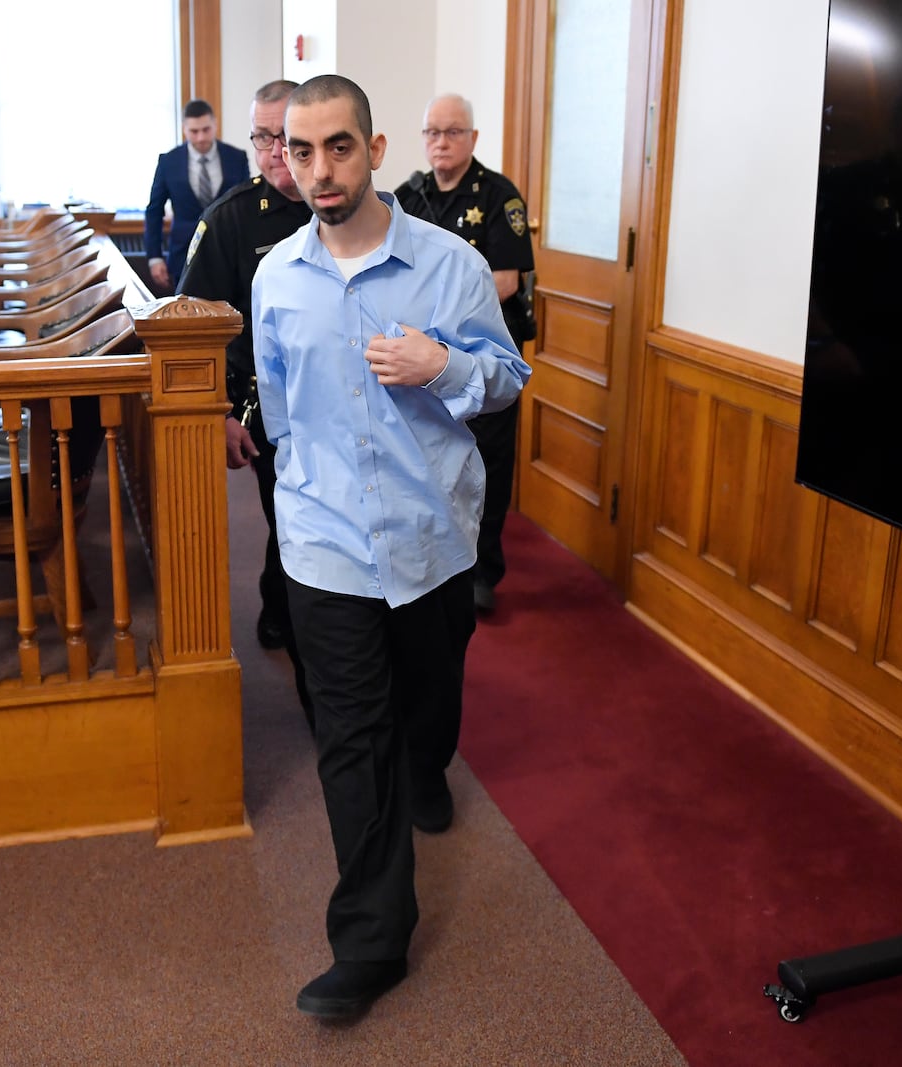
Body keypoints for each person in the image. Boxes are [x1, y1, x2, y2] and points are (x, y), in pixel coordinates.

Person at [252, 75, 530, 1019]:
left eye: (338, 147)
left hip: (430, 538)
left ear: (374, 149)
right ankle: (372, 940)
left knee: (426, 705)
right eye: (301, 150)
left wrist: (443, 364)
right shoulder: (275, 276)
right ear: (285, 157)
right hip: (325, 543)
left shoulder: (449, 264)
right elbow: (281, 414)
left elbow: (508, 379)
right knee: (351, 737)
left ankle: (428, 764)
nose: (320, 169)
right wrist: (298, 504)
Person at [176, 79, 314, 722]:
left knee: (307, 530)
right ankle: (307, 649)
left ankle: (279, 599)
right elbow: (192, 327)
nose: (273, 152)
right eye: (262, 137)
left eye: (285, 137)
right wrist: (223, 413)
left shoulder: (350, 210)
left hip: (349, 408)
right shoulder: (229, 218)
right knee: (296, 525)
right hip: (270, 413)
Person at [394, 93, 536, 616]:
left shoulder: (500, 196)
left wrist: (433, 319)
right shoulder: (409, 195)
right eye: (432, 132)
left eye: (452, 132)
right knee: (434, 456)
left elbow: (502, 280)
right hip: (423, 360)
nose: (440, 142)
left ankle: (483, 570)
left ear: (473, 139)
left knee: (489, 462)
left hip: (480, 352)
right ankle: (435, 557)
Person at [143, 99, 248, 293]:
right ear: (184, 129)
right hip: (183, 254)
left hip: (229, 254)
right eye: (193, 131)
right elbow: (154, 211)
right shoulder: (168, 161)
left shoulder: (237, 158)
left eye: (206, 130)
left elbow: (245, 206)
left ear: (215, 124)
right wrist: (154, 257)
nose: (200, 137)